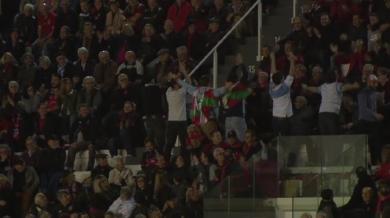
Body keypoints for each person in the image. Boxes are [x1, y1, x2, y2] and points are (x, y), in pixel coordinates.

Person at [302, 67, 359, 135]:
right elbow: (354, 86)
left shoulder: (323, 87)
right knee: (333, 137)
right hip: (332, 114)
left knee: (325, 138)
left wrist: (306, 87)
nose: (337, 75)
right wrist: (355, 83)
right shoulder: (338, 86)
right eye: (336, 74)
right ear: (334, 76)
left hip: (321, 115)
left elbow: (315, 89)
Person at [269, 51, 295, 136]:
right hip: (284, 119)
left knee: (277, 139)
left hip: (275, 118)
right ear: (281, 80)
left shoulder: (271, 87)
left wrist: (272, 58)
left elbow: (273, 72)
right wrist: (292, 61)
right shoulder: (285, 88)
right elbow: (291, 73)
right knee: (286, 140)